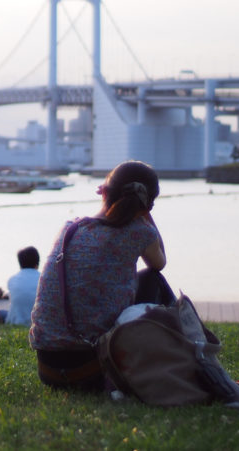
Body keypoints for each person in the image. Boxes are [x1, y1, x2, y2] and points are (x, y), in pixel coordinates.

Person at [29, 160, 174, 391]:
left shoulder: (69, 229)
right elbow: (160, 263)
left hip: (48, 369)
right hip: (92, 370)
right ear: (148, 205)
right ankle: (184, 359)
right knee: (152, 279)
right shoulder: (140, 232)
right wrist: (145, 213)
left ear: (103, 192)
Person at [4, 246, 41, 326]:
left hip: (16, 321)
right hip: (39, 322)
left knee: (1, 313)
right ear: (37, 262)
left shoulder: (12, 279)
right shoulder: (43, 279)